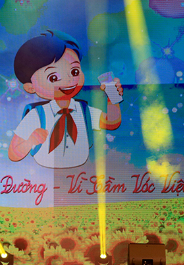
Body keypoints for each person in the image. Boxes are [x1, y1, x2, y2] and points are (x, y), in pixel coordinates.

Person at [8, 30, 123, 168]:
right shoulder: (37, 115)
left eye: (74, 71)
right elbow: (13, 154)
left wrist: (113, 96)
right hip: (44, 175)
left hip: (81, 173)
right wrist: (30, 141)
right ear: (30, 87)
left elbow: (112, 122)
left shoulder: (83, 111)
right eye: (53, 77)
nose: (69, 80)